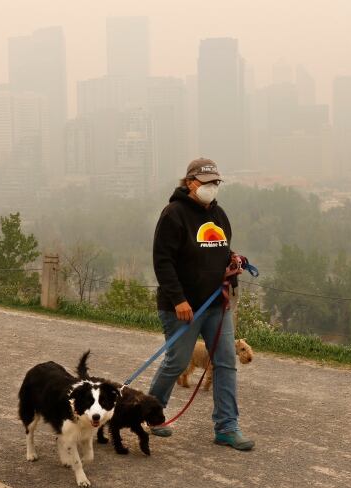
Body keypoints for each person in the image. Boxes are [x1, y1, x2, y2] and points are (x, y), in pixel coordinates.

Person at [147, 157, 255, 451]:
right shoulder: (173, 214)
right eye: (207, 182)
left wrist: (233, 262)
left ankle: (227, 427)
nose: (212, 187)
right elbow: (163, 261)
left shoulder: (218, 215)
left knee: (225, 363)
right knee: (178, 362)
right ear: (191, 182)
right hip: (182, 308)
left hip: (217, 306)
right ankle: (151, 413)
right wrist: (179, 299)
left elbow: (220, 250)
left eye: (216, 182)